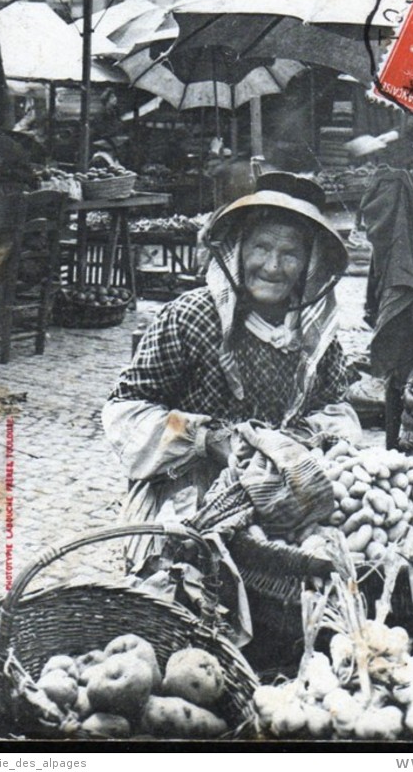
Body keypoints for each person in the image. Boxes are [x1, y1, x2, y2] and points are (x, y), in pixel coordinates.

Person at [102, 172, 361, 569]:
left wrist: (299, 444)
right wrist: (205, 438)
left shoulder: (314, 336)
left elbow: (335, 409)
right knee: (182, 577)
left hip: (282, 494)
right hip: (188, 491)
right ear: (238, 249)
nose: (273, 266)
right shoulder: (192, 316)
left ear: (310, 263)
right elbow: (127, 408)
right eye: (261, 247)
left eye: (290, 253)